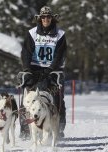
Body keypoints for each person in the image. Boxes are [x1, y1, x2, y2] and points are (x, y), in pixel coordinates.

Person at [18, 6, 67, 139]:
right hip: (34, 68)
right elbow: (26, 53)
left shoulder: (60, 34)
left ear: (52, 19)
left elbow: (59, 55)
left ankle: (58, 127)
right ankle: (25, 130)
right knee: (28, 98)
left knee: (56, 98)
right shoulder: (32, 33)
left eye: (48, 17)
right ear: (40, 19)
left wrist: (50, 70)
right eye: (43, 17)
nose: (46, 19)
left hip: (53, 70)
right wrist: (27, 70)